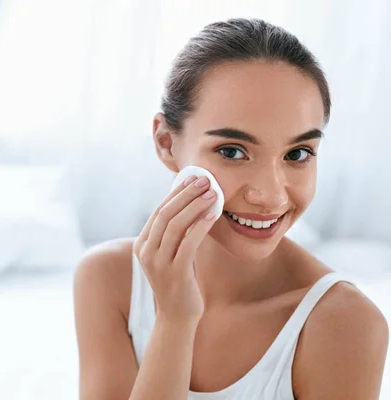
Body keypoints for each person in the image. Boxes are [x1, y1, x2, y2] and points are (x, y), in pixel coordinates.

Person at [73, 18, 388, 400]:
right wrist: (175, 321)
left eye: (298, 153)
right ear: (166, 143)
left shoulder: (345, 325)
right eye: (232, 152)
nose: (270, 196)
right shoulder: (108, 281)